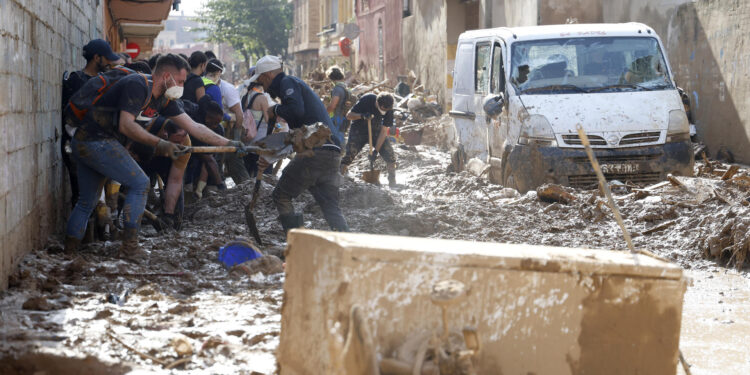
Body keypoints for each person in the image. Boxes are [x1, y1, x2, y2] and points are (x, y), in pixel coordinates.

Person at [63, 53, 243, 259]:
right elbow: (126, 124)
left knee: (87, 202)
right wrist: (161, 143)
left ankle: (69, 255)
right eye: (181, 81)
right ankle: (130, 247)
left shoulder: (164, 100)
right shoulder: (137, 85)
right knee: (140, 183)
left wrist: (230, 144)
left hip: (88, 142)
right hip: (95, 142)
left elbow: (194, 126)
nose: (183, 86)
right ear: (167, 76)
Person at [250, 55, 349, 233]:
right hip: (332, 153)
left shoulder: (288, 82)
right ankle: (348, 247)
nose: (261, 85)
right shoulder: (295, 87)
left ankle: (295, 244)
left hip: (316, 152)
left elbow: (296, 111)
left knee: (281, 195)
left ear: (269, 75)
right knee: (330, 206)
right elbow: (296, 137)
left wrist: (276, 110)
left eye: (261, 80)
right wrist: (271, 155)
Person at [61, 39, 122, 207]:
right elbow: (70, 118)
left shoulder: (105, 81)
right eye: (107, 58)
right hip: (77, 142)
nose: (109, 62)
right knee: (81, 194)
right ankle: (83, 231)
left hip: (99, 143)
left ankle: (99, 230)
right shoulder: (77, 80)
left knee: (99, 194)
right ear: (97, 58)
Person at [205, 58, 249, 184]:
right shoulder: (203, 85)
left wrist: (236, 138)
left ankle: (246, 188)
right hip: (214, 130)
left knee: (234, 163)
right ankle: (218, 188)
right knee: (215, 161)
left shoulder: (227, 89)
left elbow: (239, 115)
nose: (211, 76)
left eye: (214, 74)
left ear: (220, 73)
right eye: (209, 74)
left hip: (231, 131)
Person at [341, 92, 399, 188]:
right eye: (382, 109)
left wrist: (376, 151)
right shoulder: (367, 99)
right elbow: (349, 115)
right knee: (349, 154)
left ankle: (392, 182)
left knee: (390, 156)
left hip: (376, 131)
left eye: (386, 110)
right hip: (358, 129)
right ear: (377, 102)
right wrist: (362, 115)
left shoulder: (389, 109)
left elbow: (384, 131)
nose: (384, 111)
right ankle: (339, 179)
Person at [325, 66, 348, 145]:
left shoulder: (337, 89)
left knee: (336, 137)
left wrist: (324, 113)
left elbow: (332, 106)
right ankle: (341, 153)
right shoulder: (345, 87)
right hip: (344, 116)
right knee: (341, 135)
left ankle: (339, 154)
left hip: (337, 117)